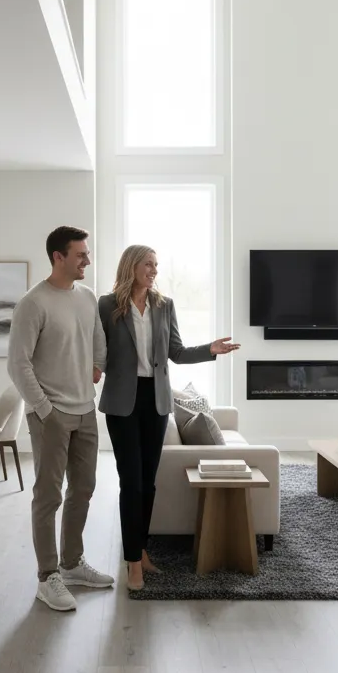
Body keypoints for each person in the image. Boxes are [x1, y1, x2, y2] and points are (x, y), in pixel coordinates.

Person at [98, 245, 239, 591]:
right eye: (149, 264)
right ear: (132, 265)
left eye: (157, 265)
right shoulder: (106, 305)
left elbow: (175, 352)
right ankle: (133, 561)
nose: (154, 270)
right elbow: (95, 347)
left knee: (149, 482)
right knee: (130, 481)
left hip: (157, 401)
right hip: (121, 402)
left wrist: (209, 350)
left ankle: (141, 550)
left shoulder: (164, 305)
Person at [7, 225, 113, 612]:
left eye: (87, 253)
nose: (87, 260)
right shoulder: (33, 303)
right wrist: (44, 409)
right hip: (51, 414)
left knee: (83, 488)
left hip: (86, 410)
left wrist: (98, 365)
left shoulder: (85, 297)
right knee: (48, 495)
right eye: (81, 254)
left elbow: (97, 337)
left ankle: (71, 564)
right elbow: (17, 364)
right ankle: (46, 576)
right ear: (58, 257)